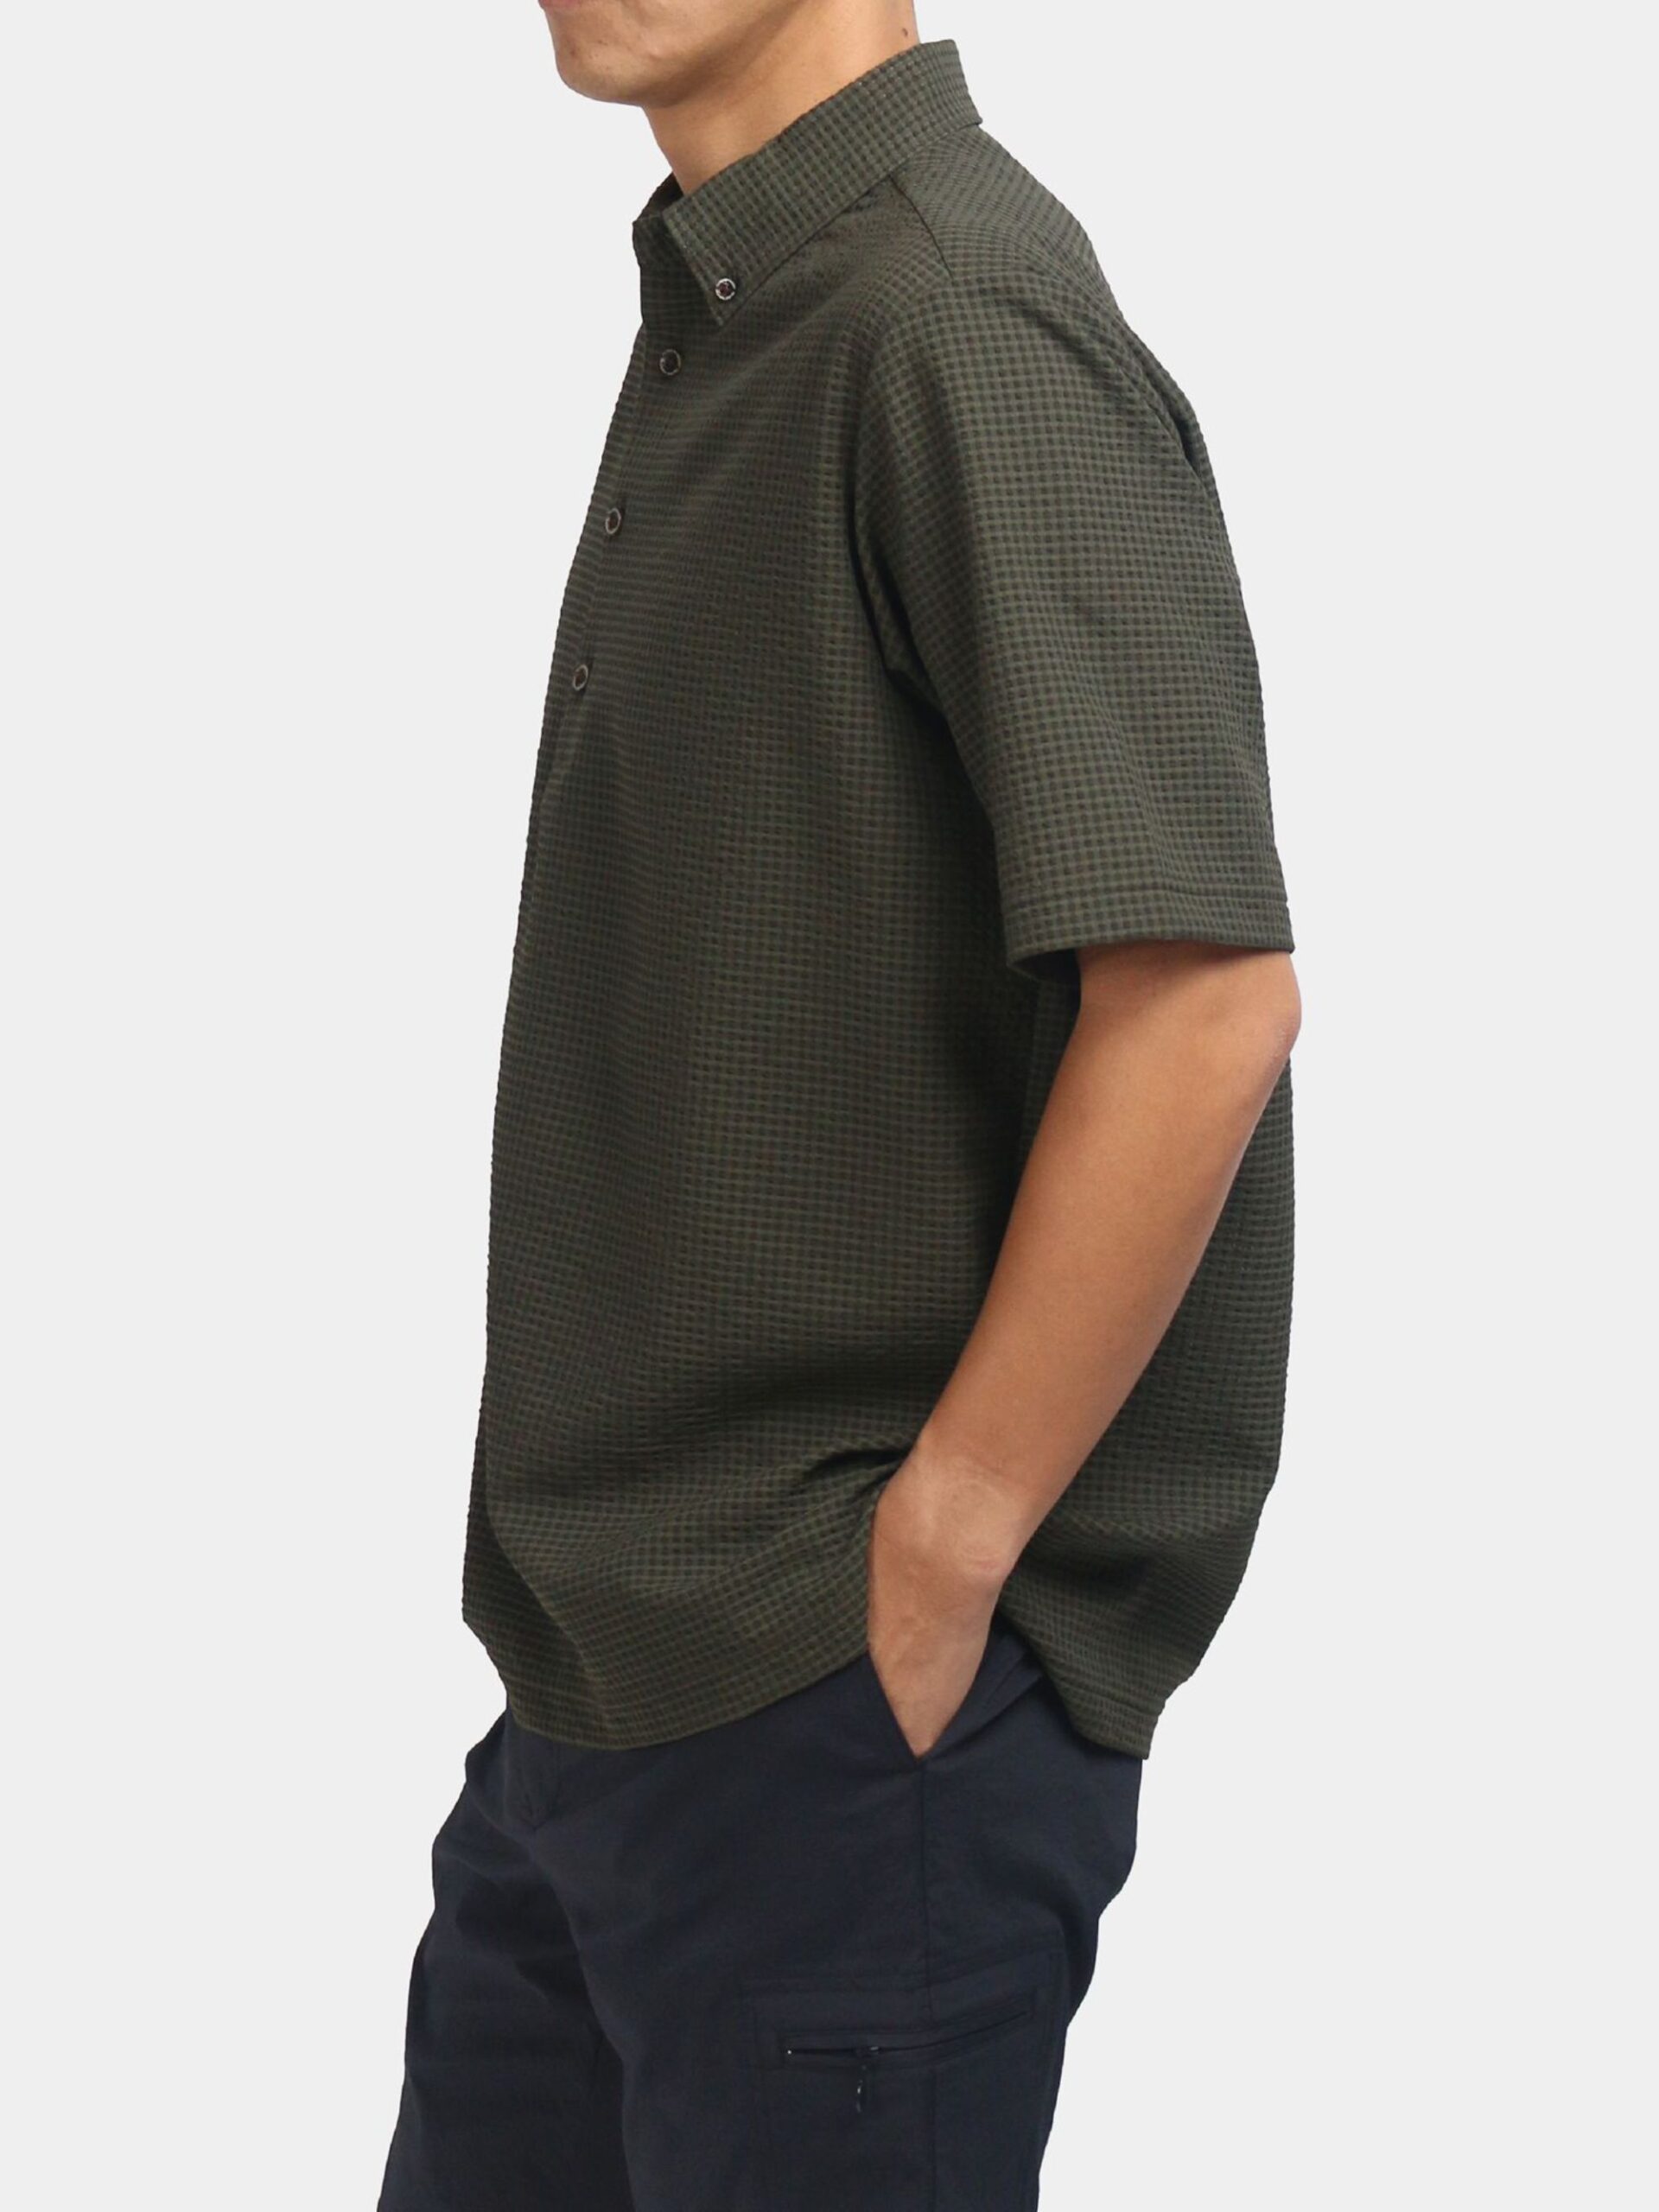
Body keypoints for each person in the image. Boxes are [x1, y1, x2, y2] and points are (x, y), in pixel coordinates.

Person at [378, 6, 1300, 2206]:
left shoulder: (948, 312)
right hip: (615, 1678)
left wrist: (945, 1542)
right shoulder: (747, 302)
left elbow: (1201, 1006)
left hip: (843, 1710)